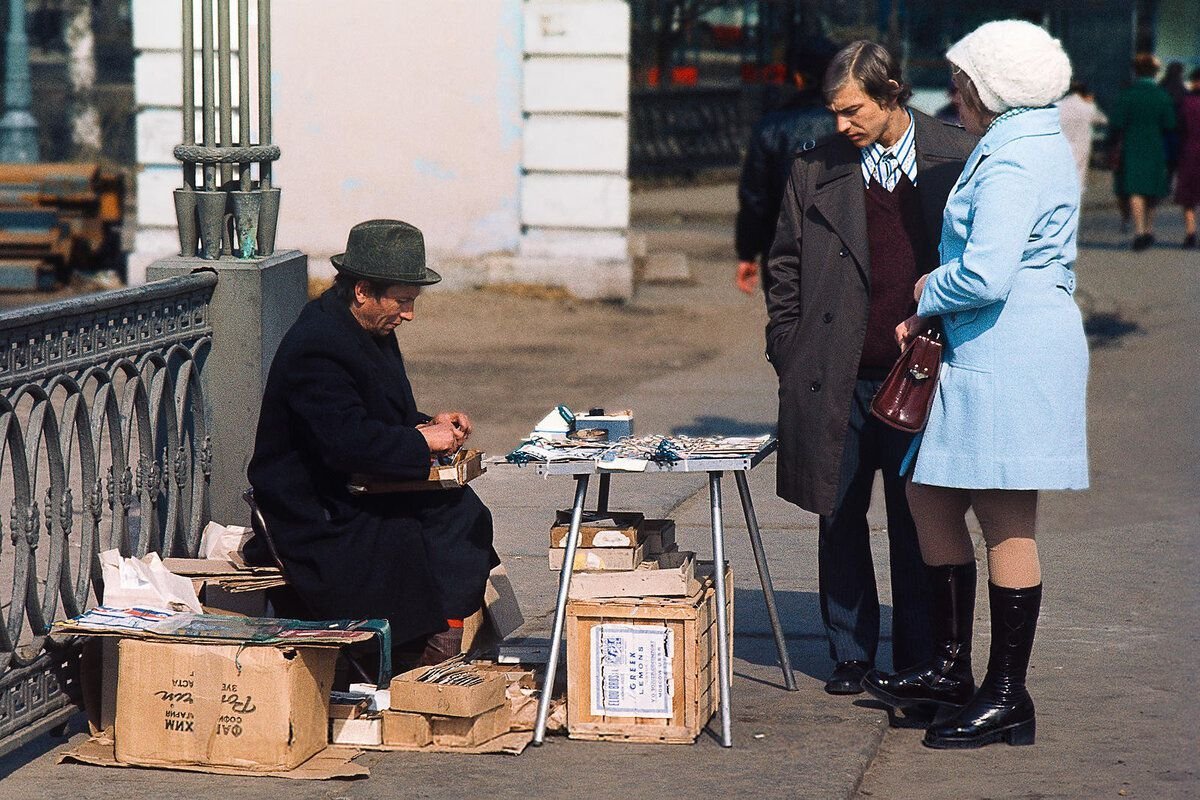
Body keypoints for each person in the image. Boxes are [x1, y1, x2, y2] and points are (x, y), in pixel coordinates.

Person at [861, 20, 1088, 750]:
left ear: (986, 89)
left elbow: (986, 272)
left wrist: (927, 289)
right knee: (928, 491)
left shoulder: (1018, 158)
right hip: (993, 347)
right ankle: (952, 671)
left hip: (1010, 350)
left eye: (962, 84)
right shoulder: (1020, 144)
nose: (955, 97)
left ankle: (1006, 694)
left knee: (1004, 518)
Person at [763, 41, 976, 695]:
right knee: (839, 514)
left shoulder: (960, 156)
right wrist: (791, 350)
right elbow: (785, 267)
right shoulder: (814, 168)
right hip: (837, 375)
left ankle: (919, 657)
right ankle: (850, 653)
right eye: (834, 112)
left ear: (890, 94)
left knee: (921, 522)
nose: (841, 126)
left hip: (926, 376)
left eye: (852, 110)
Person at [247, 218, 499, 667]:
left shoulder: (366, 328)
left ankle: (439, 644)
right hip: (316, 509)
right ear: (362, 290)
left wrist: (431, 426)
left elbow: (378, 417)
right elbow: (347, 444)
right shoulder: (319, 345)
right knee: (425, 533)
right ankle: (417, 656)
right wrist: (423, 443)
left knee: (463, 514)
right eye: (401, 302)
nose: (409, 314)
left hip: (352, 487)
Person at [735, 49, 837, 294]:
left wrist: (748, 252)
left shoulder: (771, 127)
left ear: (798, 78)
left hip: (782, 250)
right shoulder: (850, 124)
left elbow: (754, 199)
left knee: (786, 325)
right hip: (838, 251)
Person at [1110, 54, 1176, 250]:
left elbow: (1117, 123)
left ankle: (1138, 231)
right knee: (1152, 190)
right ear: (1155, 73)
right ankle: (1149, 228)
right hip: (1155, 147)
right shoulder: (1162, 96)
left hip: (1132, 146)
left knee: (1135, 189)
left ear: (1136, 72)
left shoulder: (1127, 95)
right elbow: (1170, 124)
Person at [1057, 82, 1107, 192]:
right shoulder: (1088, 107)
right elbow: (1103, 120)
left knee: (1062, 173)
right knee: (1079, 174)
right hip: (1081, 145)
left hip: (1062, 144)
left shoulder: (1059, 105)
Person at [1173, 67, 1200, 248]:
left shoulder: (1186, 103)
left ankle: (1191, 232)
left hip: (1190, 151)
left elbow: (1178, 127)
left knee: (1189, 195)